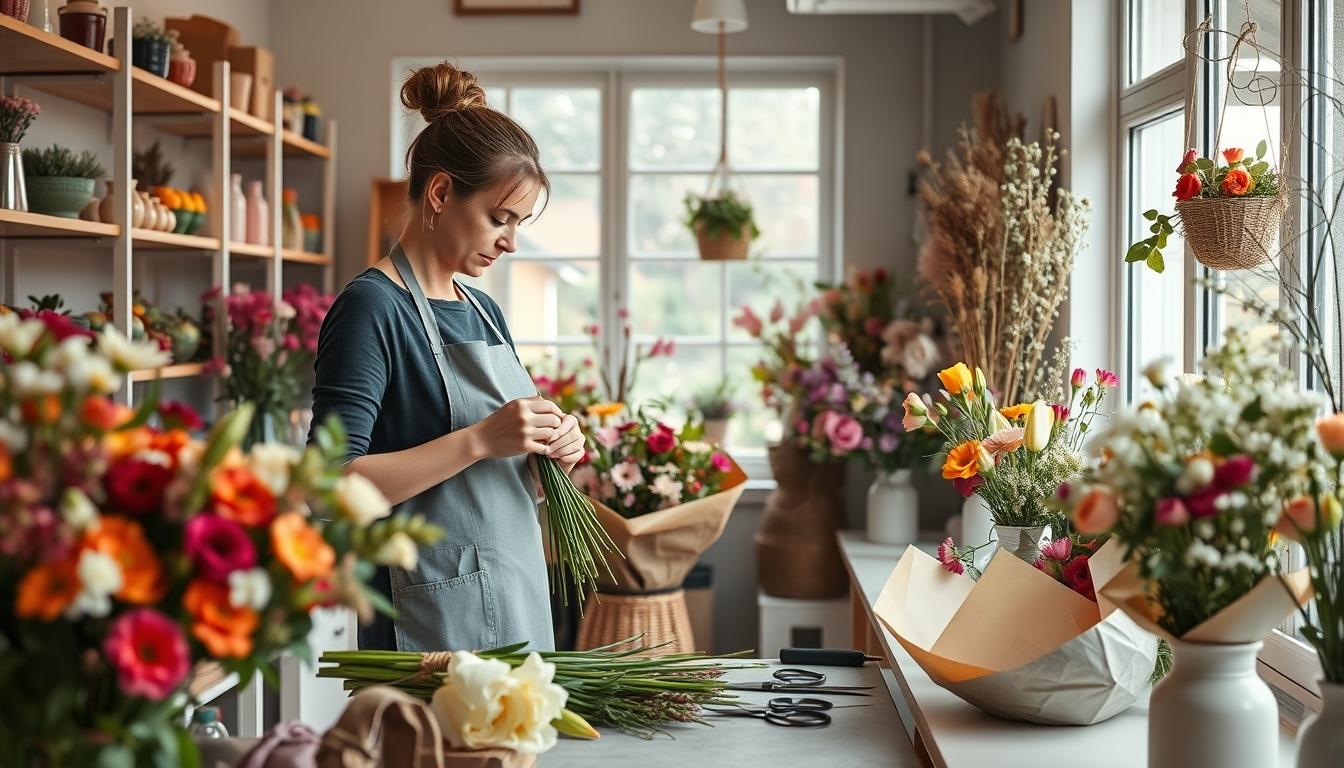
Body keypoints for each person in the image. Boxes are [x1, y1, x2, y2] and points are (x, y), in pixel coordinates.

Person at [309, 61, 585, 653]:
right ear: (440, 192)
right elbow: (326, 487)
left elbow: (502, 469)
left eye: (517, 223)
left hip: (515, 598)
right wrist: (481, 440)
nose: (510, 241)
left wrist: (553, 442)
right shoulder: (371, 308)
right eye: (499, 218)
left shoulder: (483, 308)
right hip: (428, 625)